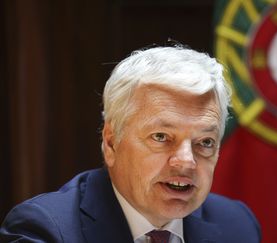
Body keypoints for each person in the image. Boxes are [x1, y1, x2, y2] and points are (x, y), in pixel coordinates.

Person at [0, 45, 261, 243]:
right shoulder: (45, 231)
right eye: (161, 137)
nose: (186, 161)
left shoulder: (237, 226)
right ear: (111, 144)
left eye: (205, 142)